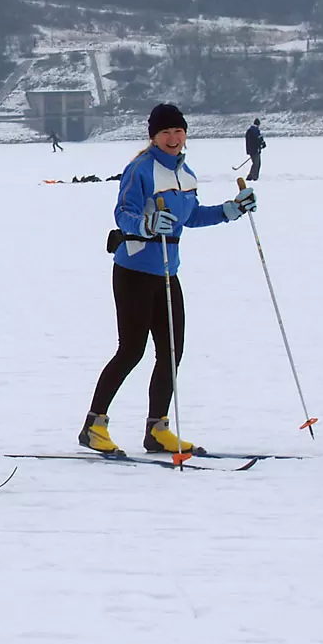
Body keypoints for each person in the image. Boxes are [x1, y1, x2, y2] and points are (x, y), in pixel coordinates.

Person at [79, 103, 256, 456]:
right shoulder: (140, 169)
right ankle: (93, 425)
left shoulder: (186, 174)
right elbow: (123, 212)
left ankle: (157, 429)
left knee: (171, 352)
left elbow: (190, 217)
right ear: (154, 137)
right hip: (134, 270)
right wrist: (145, 225)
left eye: (178, 131)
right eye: (165, 133)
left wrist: (229, 210)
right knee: (131, 350)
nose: (173, 138)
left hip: (166, 272)